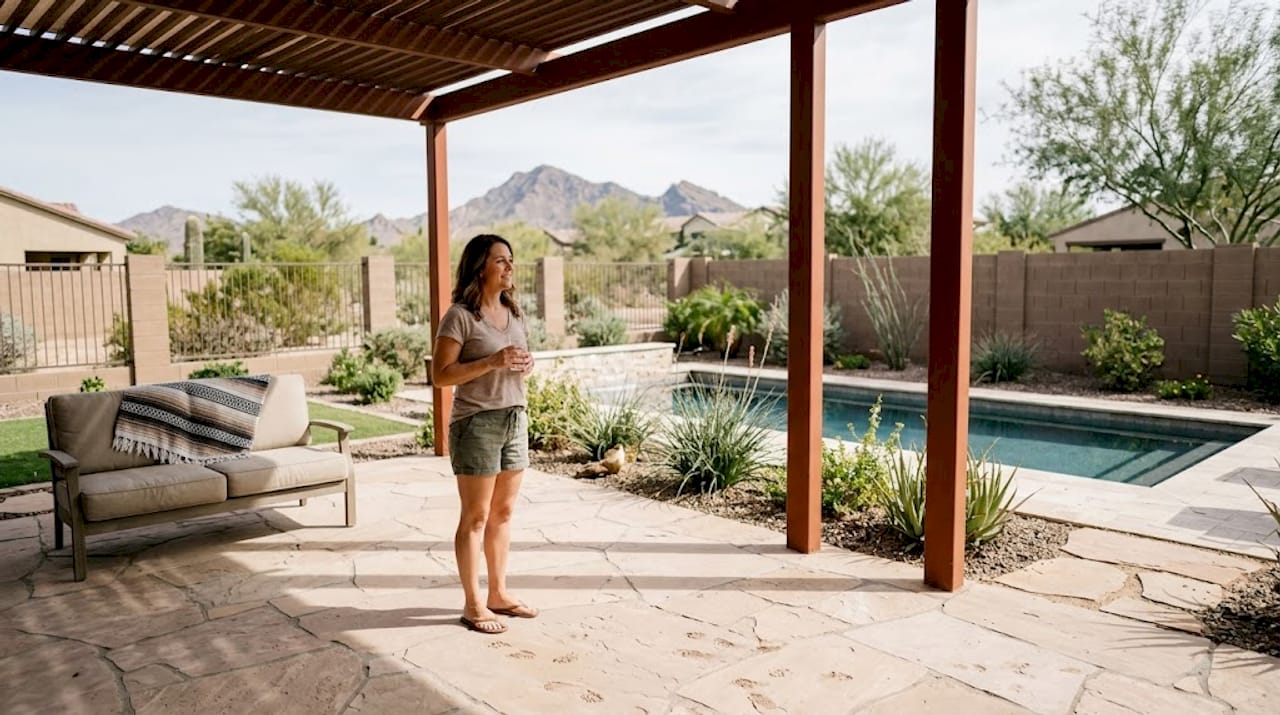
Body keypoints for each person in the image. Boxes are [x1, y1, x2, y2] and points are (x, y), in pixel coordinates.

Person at [432, 234, 538, 635]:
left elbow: (516, 364)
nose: (509, 267)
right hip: (476, 423)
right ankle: (473, 602)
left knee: (503, 514)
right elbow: (441, 376)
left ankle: (498, 593)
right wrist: (492, 361)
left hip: (514, 419)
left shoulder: (514, 313)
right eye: (500, 260)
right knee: (475, 517)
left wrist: (525, 364)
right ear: (480, 267)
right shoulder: (460, 316)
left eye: (511, 259)